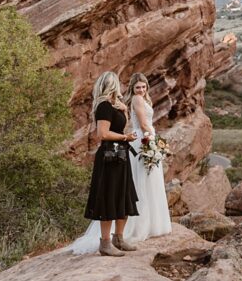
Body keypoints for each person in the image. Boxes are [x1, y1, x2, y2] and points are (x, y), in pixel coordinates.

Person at [71, 71, 140, 256]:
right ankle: (105, 243)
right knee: (109, 196)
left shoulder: (115, 106)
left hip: (121, 155)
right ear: (112, 85)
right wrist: (126, 137)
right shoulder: (103, 106)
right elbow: (102, 134)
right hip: (110, 157)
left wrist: (124, 112)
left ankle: (119, 238)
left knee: (122, 194)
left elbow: (116, 128)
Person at [121, 72, 172, 243]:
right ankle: (141, 226)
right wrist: (155, 141)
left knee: (151, 180)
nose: (141, 90)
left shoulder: (144, 98)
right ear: (132, 88)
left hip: (146, 137)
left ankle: (153, 223)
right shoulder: (136, 99)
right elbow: (143, 124)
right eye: (138, 87)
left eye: (143, 86)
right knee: (142, 180)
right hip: (142, 139)